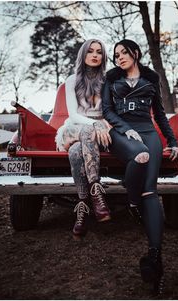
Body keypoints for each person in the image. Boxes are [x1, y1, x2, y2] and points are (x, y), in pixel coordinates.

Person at [102, 39, 178, 293]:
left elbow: (159, 114)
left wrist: (172, 141)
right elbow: (107, 110)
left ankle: (155, 258)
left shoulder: (151, 79)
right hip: (120, 133)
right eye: (115, 55)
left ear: (135, 53)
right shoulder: (111, 78)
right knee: (140, 156)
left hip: (148, 132)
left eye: (124, 53)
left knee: (151, 189)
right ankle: (132, 202)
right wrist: (125, 129)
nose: (119, 58)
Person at [55, 39, 112, 239]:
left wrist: (102, 125)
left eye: (99, 52)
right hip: (74, 127)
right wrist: (94, 124)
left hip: (101, 129)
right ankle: (96, 193)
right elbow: (73, 114)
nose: (95, 55)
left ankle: (83, 208)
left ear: (103, 56)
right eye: (90, 51)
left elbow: (109, 112)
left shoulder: (108, 80)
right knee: (86, 132)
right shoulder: (72, 80)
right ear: (83, 54)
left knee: (75, 152)